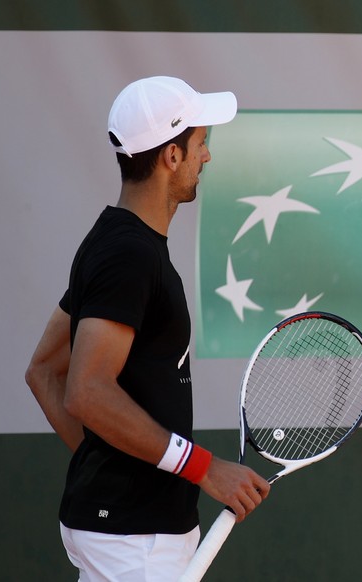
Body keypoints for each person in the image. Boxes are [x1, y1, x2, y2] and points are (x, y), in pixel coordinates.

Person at [25, 76, 270, 581]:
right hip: (134, 542)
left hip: (128, 530)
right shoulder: (128, 255)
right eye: (201, 144)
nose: (208, 157)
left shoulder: (114, 242)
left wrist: (121, 466)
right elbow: (86, 391)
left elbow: (44, 371)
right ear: (171, 157)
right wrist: (205, 468)